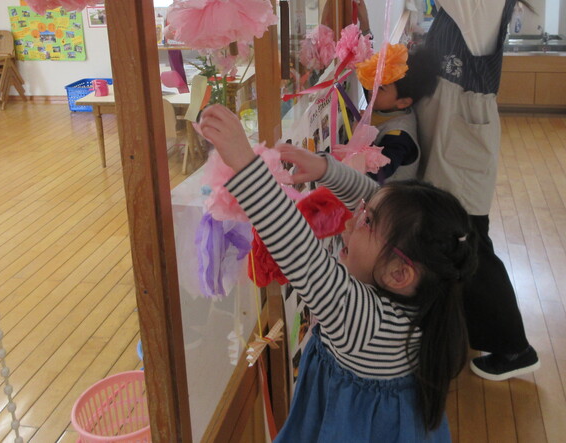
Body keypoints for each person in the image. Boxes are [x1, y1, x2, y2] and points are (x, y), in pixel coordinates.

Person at [197, 104, 477, 441]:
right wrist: (325, 170)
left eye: (367, 222)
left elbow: (300, 252)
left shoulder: (365, 323)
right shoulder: (424, 292)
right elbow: (376, 199)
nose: (351, 221)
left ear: (399, 274)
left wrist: (246, 164)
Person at [390, 0, 540, 380]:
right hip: (450, 130)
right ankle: (449, 332)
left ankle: (514, 348)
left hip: (464, 138)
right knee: (450, 235)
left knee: (468, 242)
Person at [356, 44, 440, 182]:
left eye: (380, 87)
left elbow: (380, 171)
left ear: (403, 102)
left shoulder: (399, 135)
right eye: (374, 80)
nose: (372, 89)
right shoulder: (388, 105)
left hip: (383, 193)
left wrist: (362, 138)